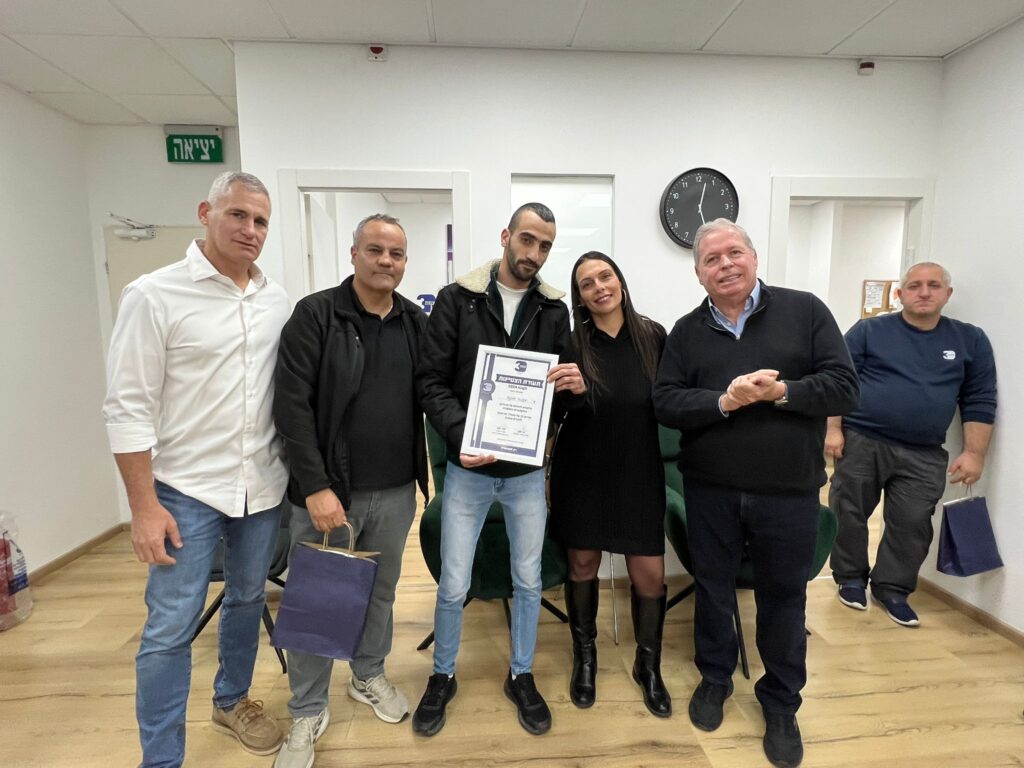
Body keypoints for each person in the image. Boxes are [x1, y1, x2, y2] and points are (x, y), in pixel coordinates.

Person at [652, 218, 858, 768]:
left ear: (754, 257)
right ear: (698, 274)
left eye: (733, 253)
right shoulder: (686, 331)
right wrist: (726, 402)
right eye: (711, 259)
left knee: (784, 598)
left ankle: (782, 702)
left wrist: (781, 392)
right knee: (713, 589)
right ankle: (715, 678)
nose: (725, 265)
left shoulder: (805, 311)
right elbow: (666, 402)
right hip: (711, 491)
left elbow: (844, 387)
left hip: (788, 493)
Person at [103, 171, 290, 767]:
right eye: (238, 215)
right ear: (206, 213)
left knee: (246, 600)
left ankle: (232, 700)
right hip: (185, 492)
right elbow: (127, 408)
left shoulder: (277, 301)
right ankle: (161, 757)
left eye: (260, 221)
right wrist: (143, 507)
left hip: (262, 488)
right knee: (169, 628)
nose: (250, 229)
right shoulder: (153, 295)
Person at [412, 202, 586, 737]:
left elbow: (558, 395)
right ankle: (442, 675)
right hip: (468, 472)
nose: (535, 253)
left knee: (528, 580)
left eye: (545, 245)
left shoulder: (554, 310)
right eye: (527, 239)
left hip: (525, 475)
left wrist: (573, 390)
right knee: (453, 583)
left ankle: (521, 673)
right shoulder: (456, 299)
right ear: (506, 236)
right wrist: (463, 435)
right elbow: (430, 382)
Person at [271, 214, 429, 767]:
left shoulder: (414, 322)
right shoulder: (316, 315)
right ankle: (307, 709)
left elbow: (438, 391)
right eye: (376, 250)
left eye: (397, 253)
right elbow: (291, 407)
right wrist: (315, 486)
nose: (386, 261)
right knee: (318, 601)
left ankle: (367, 674)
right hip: (328, 495)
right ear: (354, 253)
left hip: (396, 492)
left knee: (380, 594)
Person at [827, 262, 997, 627]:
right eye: (915, 285)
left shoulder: (970, 340)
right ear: (899, 294)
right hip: (862, 439)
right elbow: (838, 380)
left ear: (947, 294)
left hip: (924, 451)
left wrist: (974, 453)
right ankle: (850, 578)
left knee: (913, 523)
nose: (924, 292)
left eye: (933, 285)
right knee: (849, 512)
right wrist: (833, 429)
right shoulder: (869, 331)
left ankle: (892, 589)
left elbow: (980, 398)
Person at [548, 252, 670, 716]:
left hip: (639, 470)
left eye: (605, 276)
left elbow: (672, 401)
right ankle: (585, 658)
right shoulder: (570, 343)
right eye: (587, 283)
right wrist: (573, 395)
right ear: (579, 297)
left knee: (650, 574)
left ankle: (648, 665)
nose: (599, 287)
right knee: (582, 565)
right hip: (582, 470)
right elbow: (555, 415)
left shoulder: (654, 336)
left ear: (620, 280)